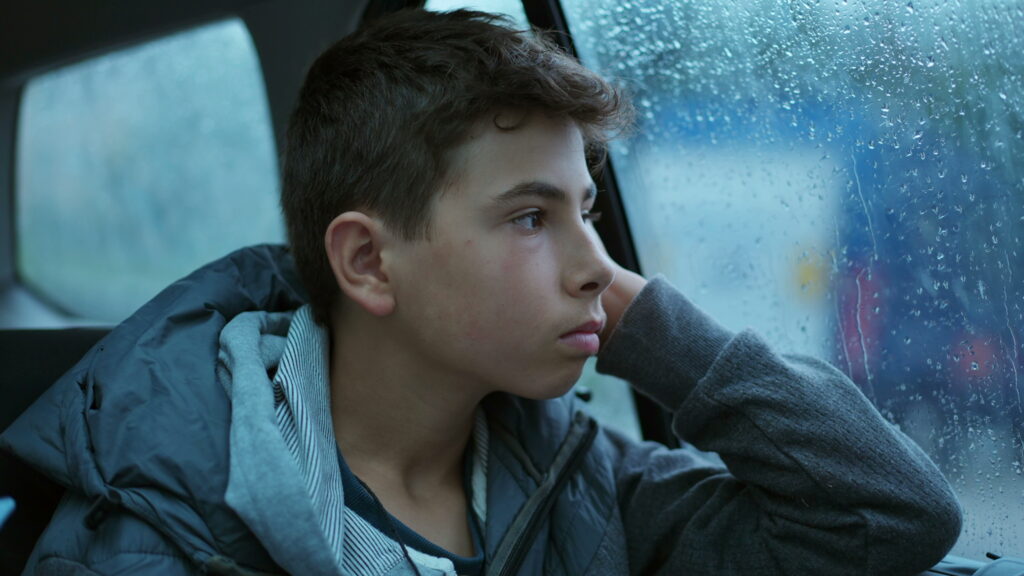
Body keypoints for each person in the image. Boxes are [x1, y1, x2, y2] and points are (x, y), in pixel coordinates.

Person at [1, 8, 961, 576]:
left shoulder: (582, 488)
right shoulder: (151, 528)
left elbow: (892, 516)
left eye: (589, 211)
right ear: (370, 264)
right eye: (531, 218)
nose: (597, 266)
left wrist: (660, 334)